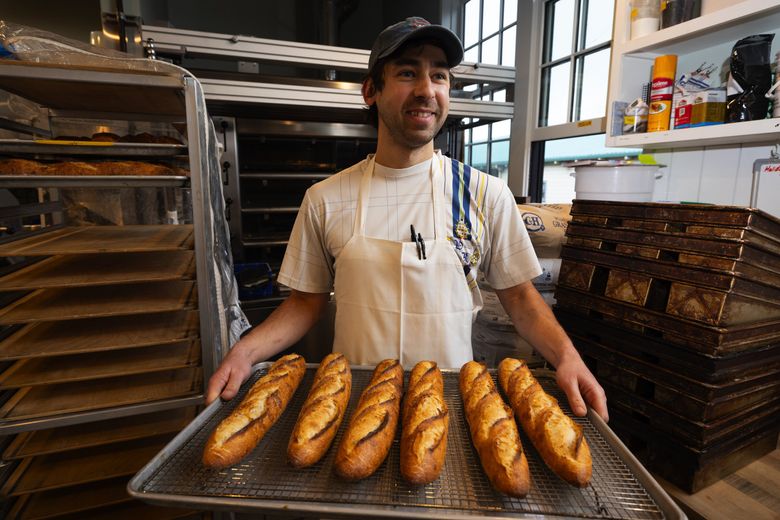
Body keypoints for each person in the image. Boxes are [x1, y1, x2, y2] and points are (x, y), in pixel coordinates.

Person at [206, 16, 608, 421]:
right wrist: (245, 351)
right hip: (353, 409)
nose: (426, 90)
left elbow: (520, 299)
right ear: (370, 91)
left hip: (447, 411)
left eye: (439, 75)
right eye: (406, 73)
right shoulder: (325, 199)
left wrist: (568, 357)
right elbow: (305, 303)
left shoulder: (484, 193)